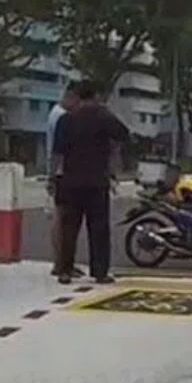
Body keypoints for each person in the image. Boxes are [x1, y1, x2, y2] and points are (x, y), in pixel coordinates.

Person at [51, 79, 130, 285]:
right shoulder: (103, 117)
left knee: (69, 228)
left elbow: (57, 154)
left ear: (78, 96)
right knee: (99, 228)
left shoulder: (65, 120)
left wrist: (53, 179)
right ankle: (100, 272)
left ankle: (65, 271)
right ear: (95, 96)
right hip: (96, 181)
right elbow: (124, 134)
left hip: (70, 181)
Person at [45, 82, 84, 278]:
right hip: (62, 174)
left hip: (59, 172)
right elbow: (58, 150)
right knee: (62, 220)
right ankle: (61, 263)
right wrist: (52, 176)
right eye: (77, 100)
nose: (78, 106)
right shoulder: (61, 116)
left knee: (59, 218)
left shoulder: (55, 113)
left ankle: (60, 262)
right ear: (70, 96)